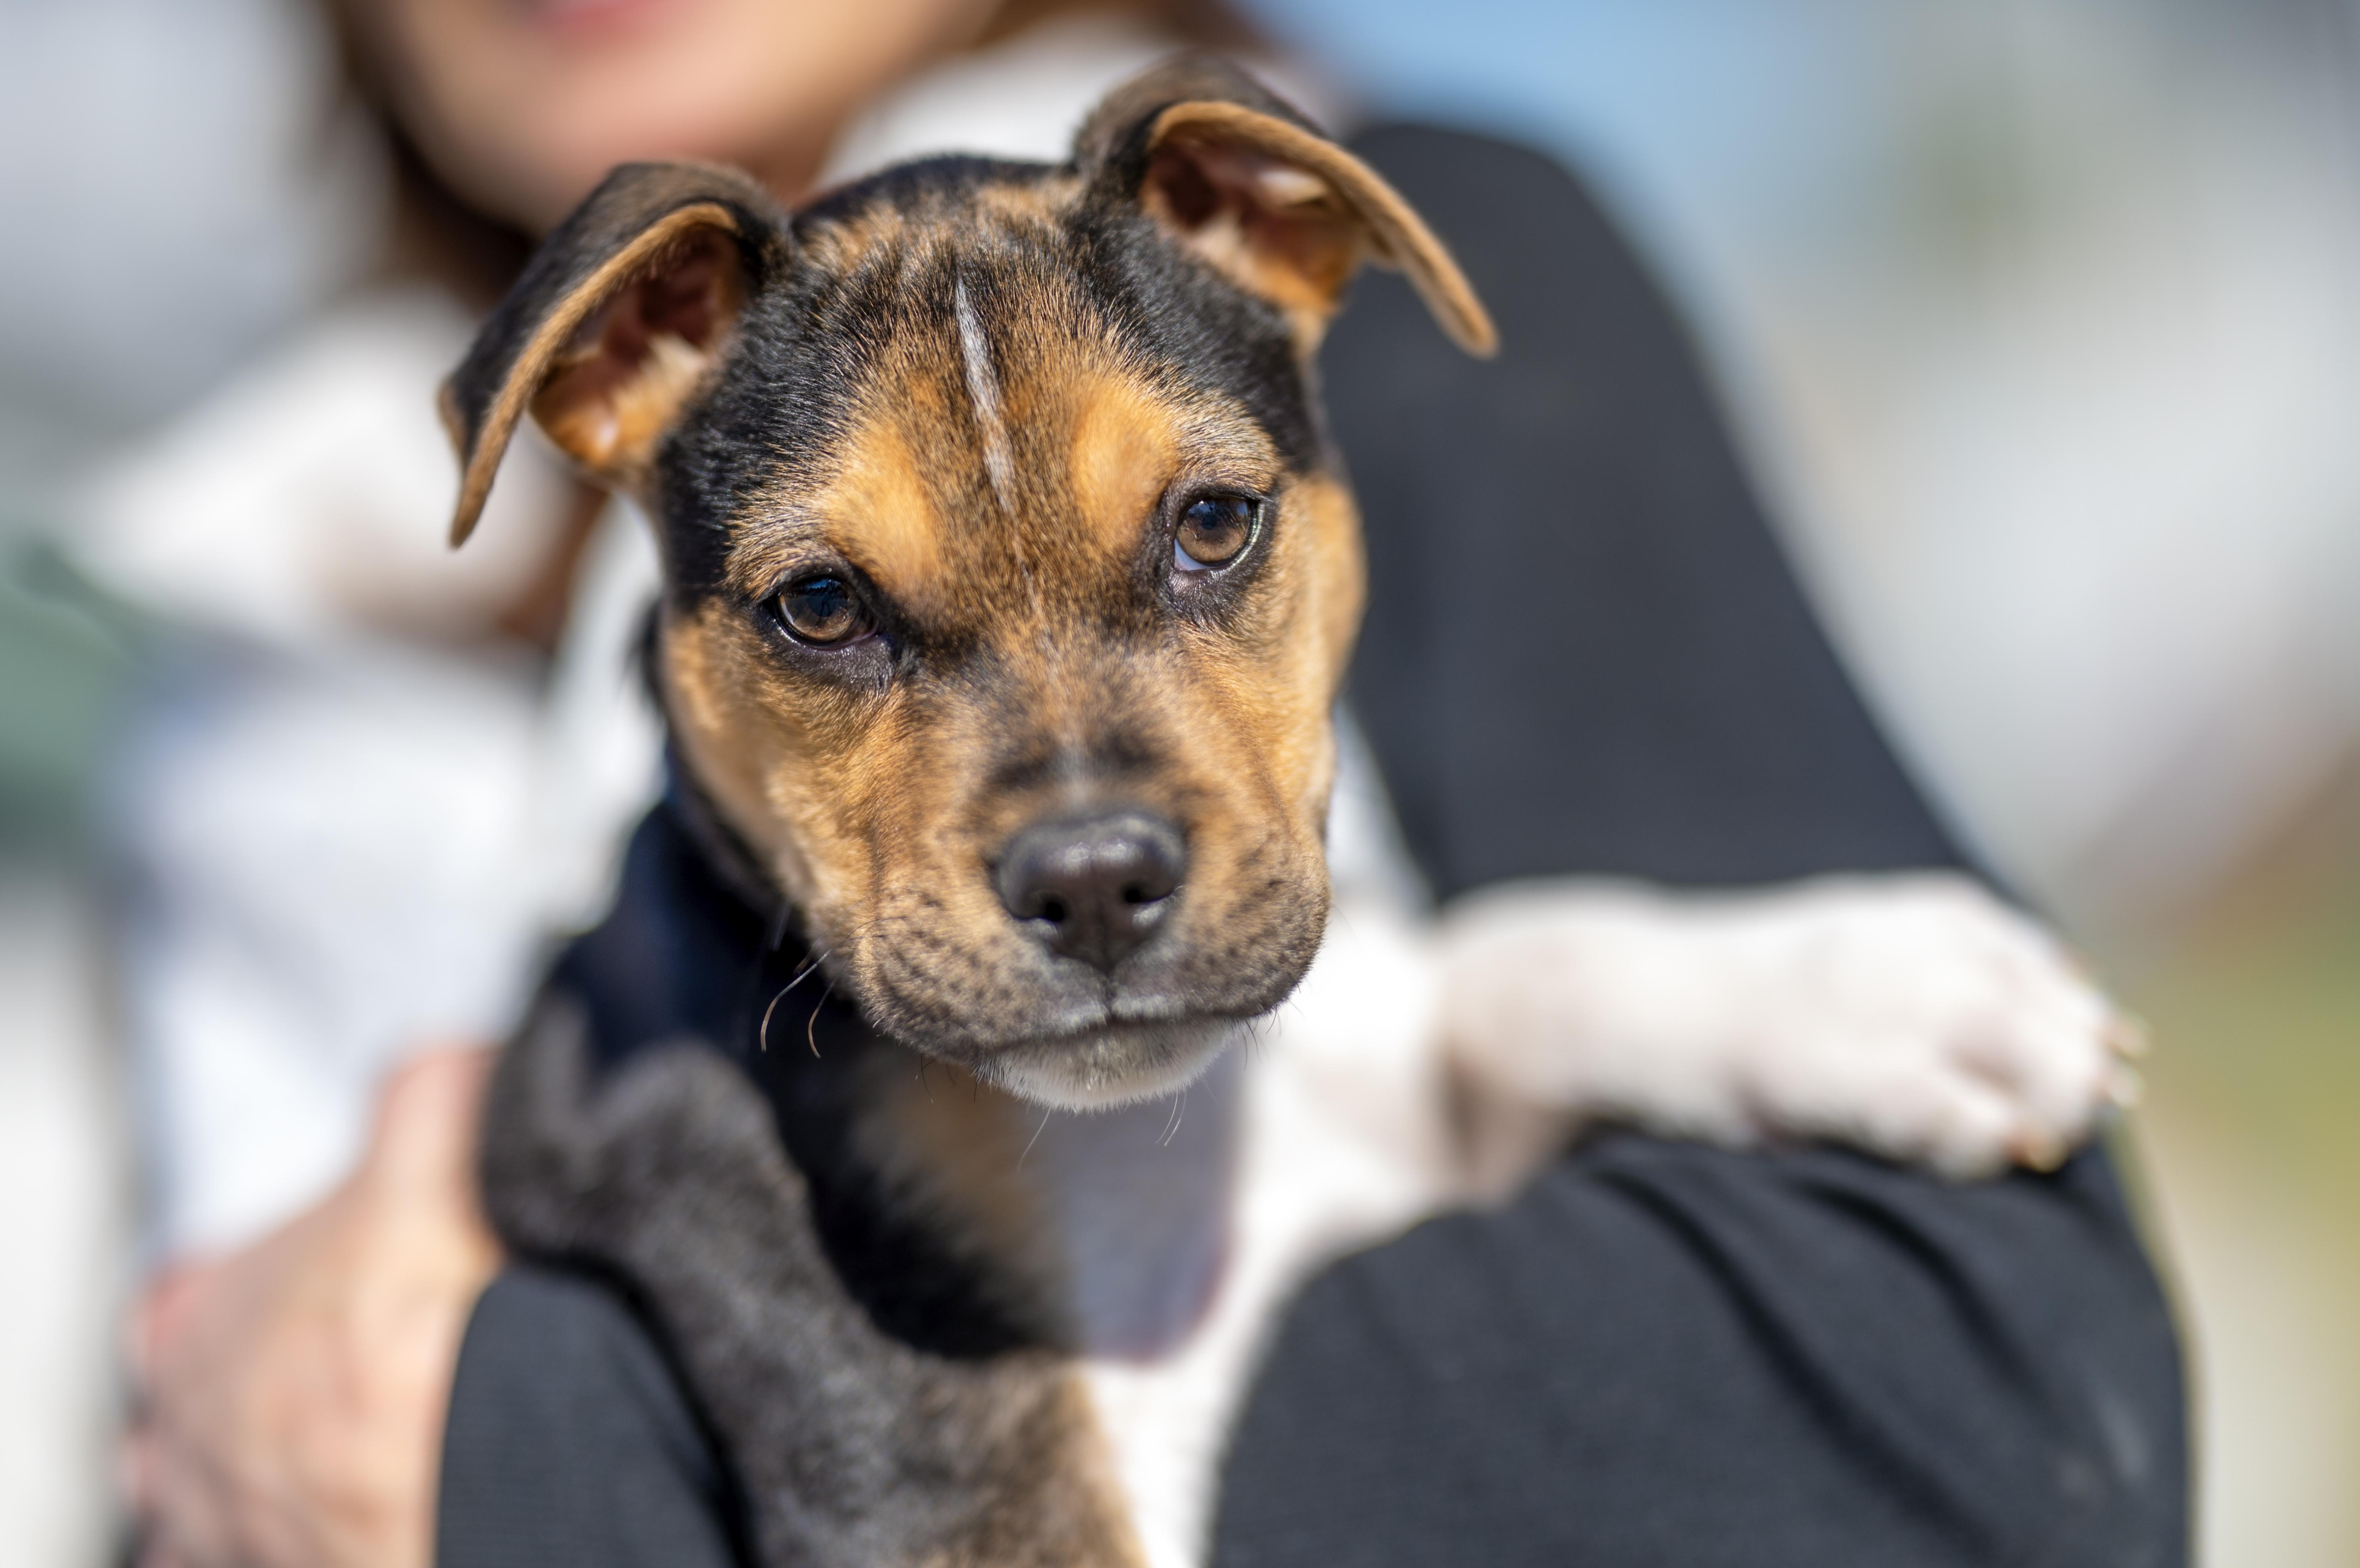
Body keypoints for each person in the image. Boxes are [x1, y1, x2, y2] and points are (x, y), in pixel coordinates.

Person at [80, 1, 2186, 1565]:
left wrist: (512, 1461)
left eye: (1198, 541)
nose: (1082, 831)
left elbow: (1969, 1405)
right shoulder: (230, 656)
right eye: (830, 611)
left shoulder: (1394, 244)